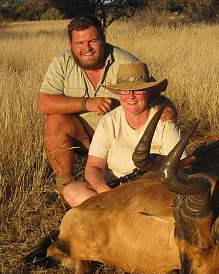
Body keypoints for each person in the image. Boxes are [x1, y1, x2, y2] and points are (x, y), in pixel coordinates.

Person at [37, 16, 176, 195]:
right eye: (80, 43)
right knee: (53, 122)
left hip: (117, 139)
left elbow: (154, 93)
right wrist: (86, 103)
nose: (86, 48)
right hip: (84, 135)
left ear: (103, 39)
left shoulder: (126, 62)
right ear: (70, 44)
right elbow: (44, 104)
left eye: (92, 41)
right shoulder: (61, 62)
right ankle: (64, 186)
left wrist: (168, 109)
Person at [63, 62, 189, 207]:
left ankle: (112, 219)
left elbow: (183, 167)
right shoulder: (109, 121)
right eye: (125, 91)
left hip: (153, 190)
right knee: (73, 191)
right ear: (119, 93)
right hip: (115, 192)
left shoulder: (164, 121)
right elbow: (93, 167)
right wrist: (105, 191)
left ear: (148, 92)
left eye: (138, 90)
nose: (131, 96)